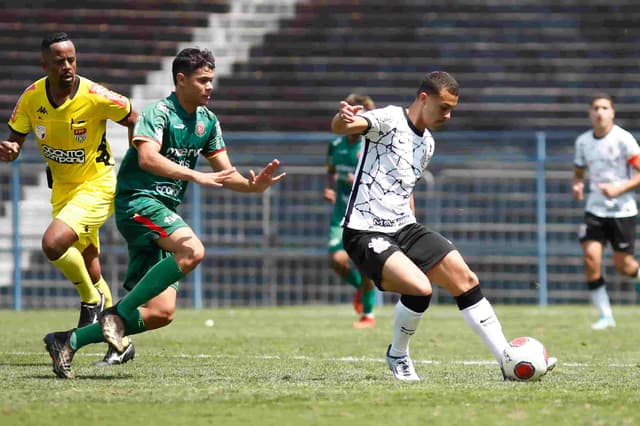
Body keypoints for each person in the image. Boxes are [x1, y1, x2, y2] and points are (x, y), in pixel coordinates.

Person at [43, 47, 286, 379]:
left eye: (212, 80)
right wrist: (194, 175)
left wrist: (252, 186)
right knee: (192, 249)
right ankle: (117, 315)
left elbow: (225, 173)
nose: (210, 87)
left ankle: (66, 341)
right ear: (181, 80)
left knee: (161, 312)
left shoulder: (208, 122)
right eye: (203, 81)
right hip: (138, 202)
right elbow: (147, 159)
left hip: (162, 212)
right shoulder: (157, 113)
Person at [330, 71, 556, 381]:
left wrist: (416, 234)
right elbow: (347, 126)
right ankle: (398, 354)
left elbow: (405, 190)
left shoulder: (428, 145)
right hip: (364, 229)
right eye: (444, 107)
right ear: (424, 98)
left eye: (452, 109)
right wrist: (343, 119)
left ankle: (507, 358)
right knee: (420, 288)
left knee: (465, 278)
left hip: (404, 227)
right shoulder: (388, 118)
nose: (448, 115)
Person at [0, 32, 138, 365]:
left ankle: (90, 303)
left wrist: (137, 163)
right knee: (90, 263)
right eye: (60, 61)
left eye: (72, 59)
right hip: (62, 189)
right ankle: (120, 340)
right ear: (44, 64)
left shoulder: (94, 95)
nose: (68, 66)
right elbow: (15, 139)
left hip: (98, 184)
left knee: (52, 244)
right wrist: (10, 150)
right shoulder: (32, 98)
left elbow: (134, 116)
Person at [572, 93, 640, 330]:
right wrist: (578, 185)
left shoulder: (624, 140)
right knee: (591, 259)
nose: (600, 112)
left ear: (612, 112)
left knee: (624, 265)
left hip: (623, 211)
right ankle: (605, 316)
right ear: (590, 113)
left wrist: (620, 187)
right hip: (595, 210)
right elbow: (579, 174)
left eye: (604, 108)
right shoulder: (582, 142)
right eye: (596, 108)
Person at [324, 93, 377, 328]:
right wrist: (329, 187)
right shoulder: (335, 144)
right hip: (341, 214)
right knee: (337, 260)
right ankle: (360, 290)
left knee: (367, 265)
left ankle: (368, 314)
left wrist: (362, 181)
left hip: (366, 215)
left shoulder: (372, 146)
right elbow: (330, 169)